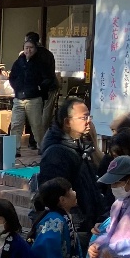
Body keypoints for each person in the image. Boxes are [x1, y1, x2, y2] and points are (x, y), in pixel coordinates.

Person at [39, 97, 105, 234]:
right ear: (67, 122)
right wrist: (78, 225)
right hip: (74, 228)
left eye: (89, 116)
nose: (89, 121)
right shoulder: (56, 154)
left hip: (89, 222)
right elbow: (56, 197)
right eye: (84, 117)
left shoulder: (79, 145)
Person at [9, 37, 55, 152]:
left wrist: (39, 88)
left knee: (36, 125)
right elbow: (12, 77)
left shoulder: (41, 62)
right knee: (16, 124)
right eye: (26, 48)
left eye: (31, 48)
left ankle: (42, 147)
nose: (28, 50)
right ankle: (14, 149)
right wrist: (16, 87)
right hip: (18, 98)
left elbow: (48, 78)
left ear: (35, 49)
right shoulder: (19, 62)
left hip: (34, 99)